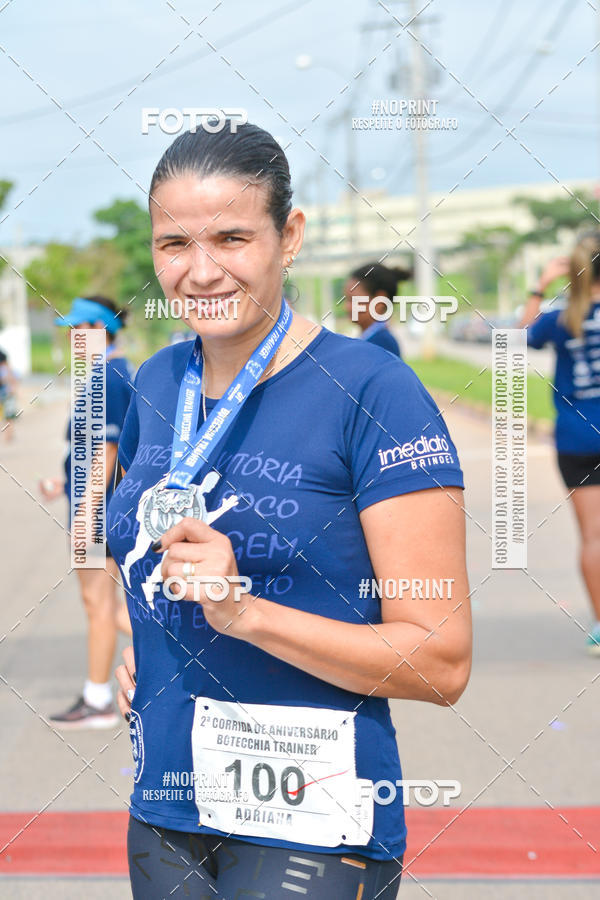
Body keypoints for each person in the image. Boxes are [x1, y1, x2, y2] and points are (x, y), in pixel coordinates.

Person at [110, 121, 471, 899]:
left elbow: (441, 662)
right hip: (167, 801)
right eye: (174, 244)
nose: (201, 271)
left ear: (291, 236)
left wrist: (245, 615)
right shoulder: (156, 381)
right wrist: (140, 631)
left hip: (314, 814)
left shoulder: (373, 390)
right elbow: (139, 537)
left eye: (232, 238)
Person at [40, 295, 134, 728]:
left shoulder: (109, 376)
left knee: (100, 605)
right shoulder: (108, 372)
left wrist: (85, 514)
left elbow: (109, 450)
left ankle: (98, 700)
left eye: (80, 328)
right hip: (97, 505)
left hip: (98, 511)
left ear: (101, 329)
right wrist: (64, 482)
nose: (72, 336)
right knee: (103, 604)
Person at [519, 232, 600, 655]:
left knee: (594, 537)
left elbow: (516, 339)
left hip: (577, 437)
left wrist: (540, 285)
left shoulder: (561, 318)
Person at [344, 262, 411, 357]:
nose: (346, 307)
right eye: (347, 299)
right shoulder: (373, 340)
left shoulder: (381, 345)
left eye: (353, 300)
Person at [0, 348, 19, 441]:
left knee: (7, 417)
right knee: (9, 417)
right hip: (9, 396)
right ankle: (9, 435)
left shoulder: (5, 370)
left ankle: (8, 435)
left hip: (6, 396)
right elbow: (16, 380)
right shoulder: (9, 369)